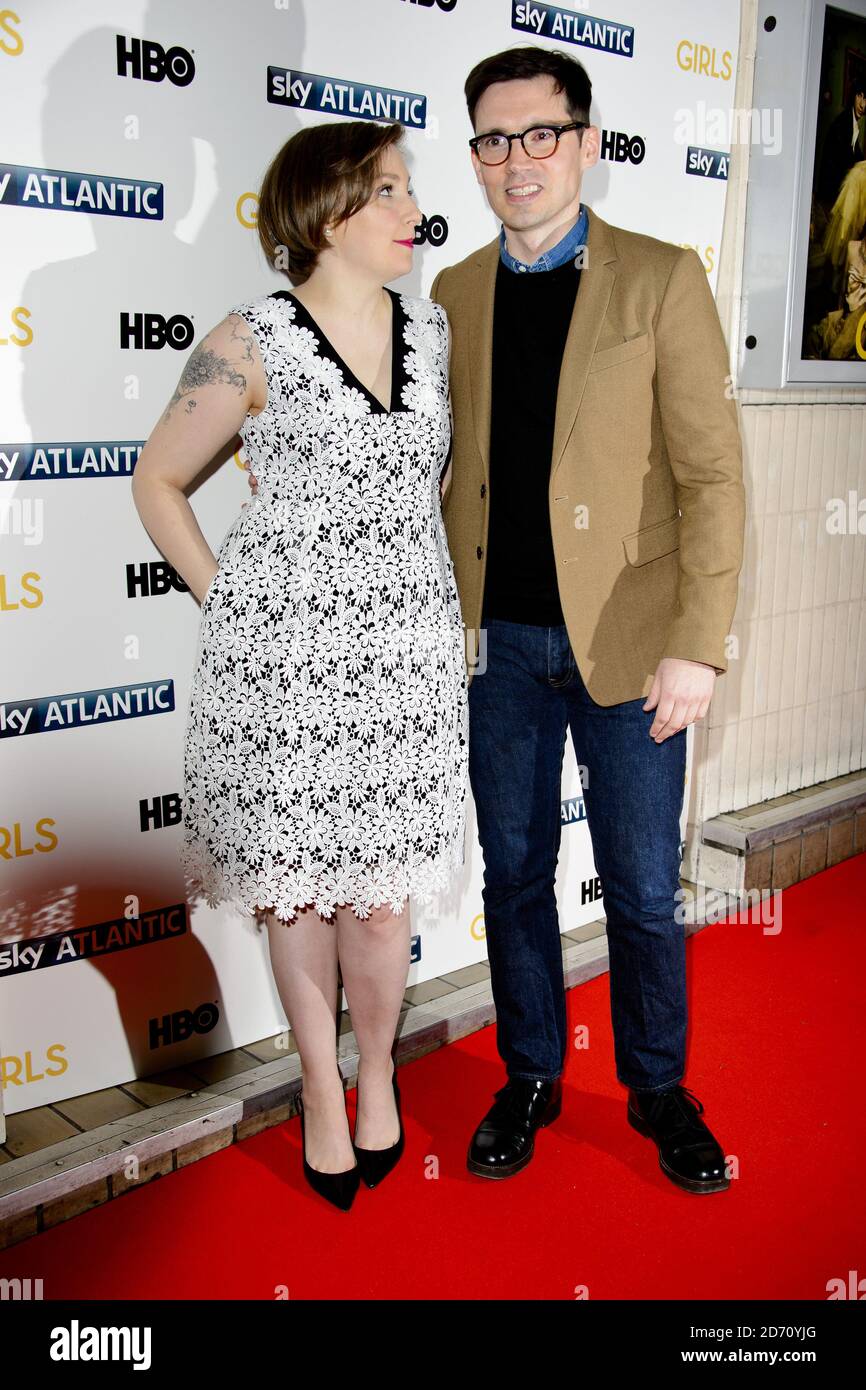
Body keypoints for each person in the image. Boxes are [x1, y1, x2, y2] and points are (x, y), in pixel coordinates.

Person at [132, 120, 468, 1212]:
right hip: (284, 673)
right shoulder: (248, 340)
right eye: (388, 189)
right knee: (298, 903)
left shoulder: (437, 332)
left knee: (377, 906)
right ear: (325, 212)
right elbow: (158, 482)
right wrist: (231, 600)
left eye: (408, 186)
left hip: (403, 664)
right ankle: (318, 1088)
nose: (411, 206)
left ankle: (377, 1075)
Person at [431, 45, 745, 1195]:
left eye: (539, 134)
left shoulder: (660, 279)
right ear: (473, 156)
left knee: (640, 887)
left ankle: (657, 1088)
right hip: (498, 649)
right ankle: (527, 1074)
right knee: (513, 875)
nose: (516, 161)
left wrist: (697, 644)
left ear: (586, 142)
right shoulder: (452, 292)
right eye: (492, 140)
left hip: (632, 644)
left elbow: (712, 477)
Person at [816, 70, 866, 212]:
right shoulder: (843, 123)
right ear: (854, 96)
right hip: (830, 195)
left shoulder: (853, 122)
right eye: (859, 96)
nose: (862, 105)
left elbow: (857, 154)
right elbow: (845, 160)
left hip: (837, 189)